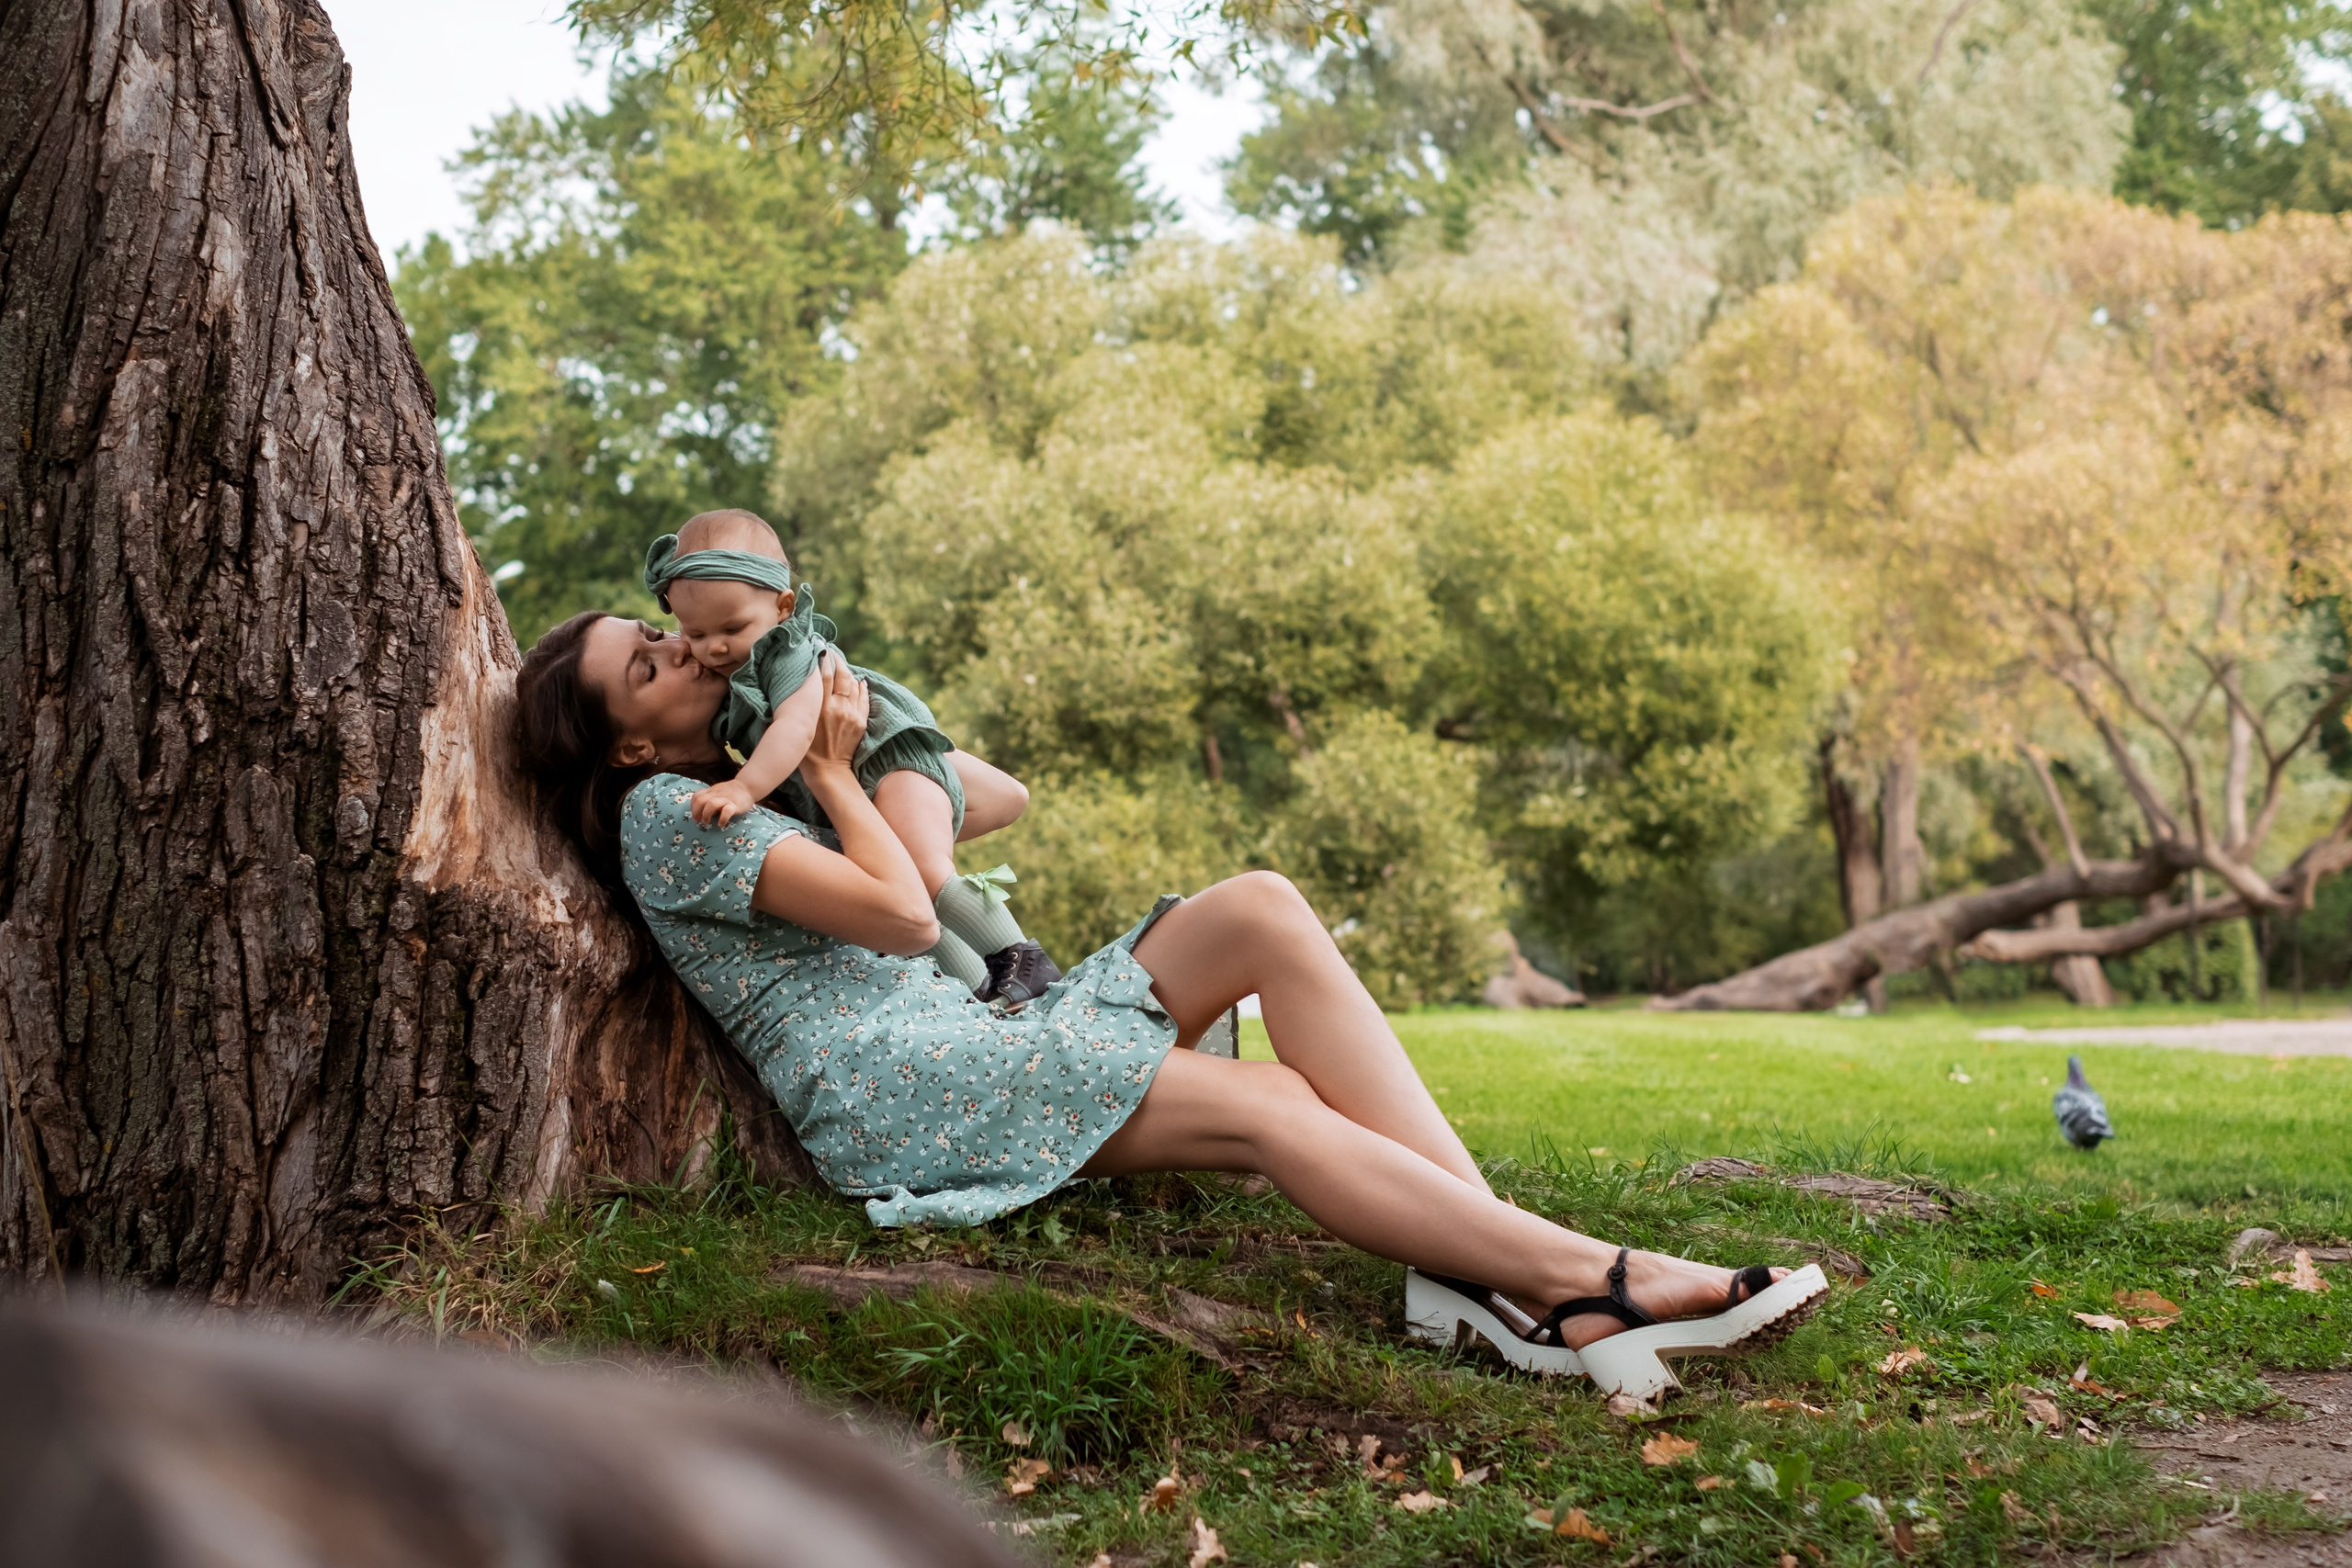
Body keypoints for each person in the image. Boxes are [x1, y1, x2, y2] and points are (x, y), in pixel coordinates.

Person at [513, 613, 1827, 1399]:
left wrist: (812, 691)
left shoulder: (755, 768)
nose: (685, 642)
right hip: (896, 1088)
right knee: (1264, 1097)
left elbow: (997, 790)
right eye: (651, 662)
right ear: (631, 740)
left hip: (960, 1041)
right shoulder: (667, 815)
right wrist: (840, 777)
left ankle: (1489, 1271)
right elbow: (913, 916)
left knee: (1255, 902)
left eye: (673, 624)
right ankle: (1593, 1282)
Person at [644, 508, 1060, 1006]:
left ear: (782, 606)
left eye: (731, 627)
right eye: (695, 634)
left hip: (886, 766)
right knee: (907, 893)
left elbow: (798, 727)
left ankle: (1020, 957)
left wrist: (744, 788)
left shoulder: (787, 652)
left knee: (924, 871)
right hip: (859, 790)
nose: (713, 648)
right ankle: (980, 994)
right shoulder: (732, 669)